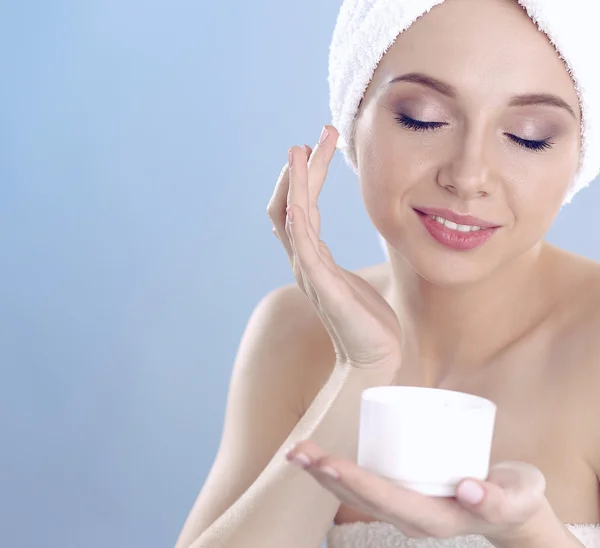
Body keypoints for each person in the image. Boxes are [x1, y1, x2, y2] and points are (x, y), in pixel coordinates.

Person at [174, 0, 600, 546]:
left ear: (579, 154)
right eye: (423, 117)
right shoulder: (292, 333)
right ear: (353, 116)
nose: (468, 177)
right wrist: (362, 369)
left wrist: (526, 530)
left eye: (529, 135)